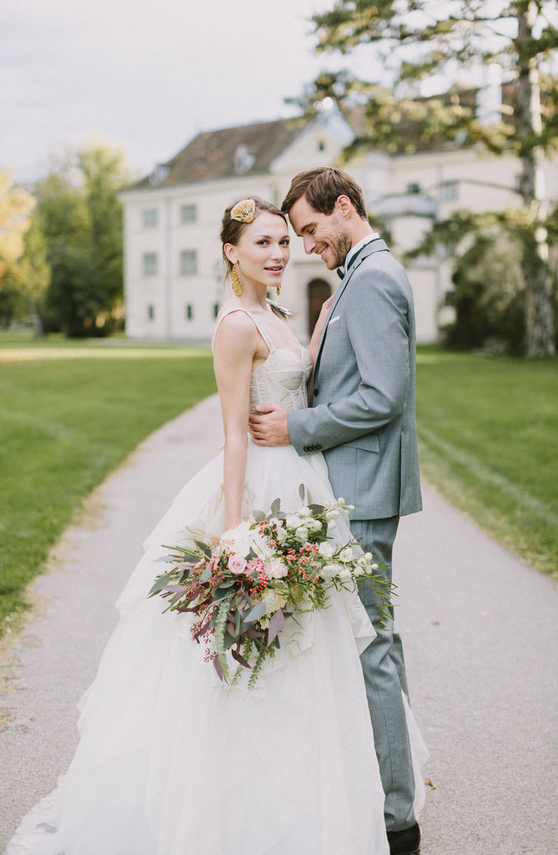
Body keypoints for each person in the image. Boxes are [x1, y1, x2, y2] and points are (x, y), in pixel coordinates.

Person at [5, 196, 426, 855]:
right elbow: (234, 435)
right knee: (264, 643)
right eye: (263, 242)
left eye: (285, 240)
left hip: (306, 486)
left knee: (314, 647)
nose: (279, 252)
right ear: (232, 251)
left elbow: (301, 385)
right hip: (262, 489)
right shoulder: (234, 324)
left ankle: (319, 787)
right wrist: (236, 533)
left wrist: (316, 336)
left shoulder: (280, 313)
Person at [249, 168, 424, 855]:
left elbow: (383, 396)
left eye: (312, 229)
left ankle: (396, 818)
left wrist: (299, 428)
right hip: (353, 482)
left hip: (366, 488)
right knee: (376, 637)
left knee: (371, 642)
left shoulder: (374, 278)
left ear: (344, 206)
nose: (309, 245)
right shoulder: (356, 276)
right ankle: (392, 782)